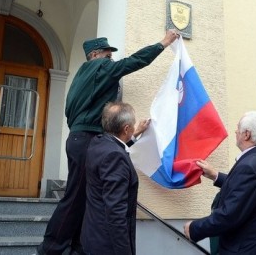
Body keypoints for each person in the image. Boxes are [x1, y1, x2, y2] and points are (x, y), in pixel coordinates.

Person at [37, 30, 179, 255]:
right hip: (86, 140)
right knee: (74, 198)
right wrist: (164, 43)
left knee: (84, 196)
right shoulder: (98, 67)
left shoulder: (80, 78)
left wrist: (130, 138)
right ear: (94, 55)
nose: (111, 60)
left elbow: (71, 113)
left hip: (79, 138)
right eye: (107, 55)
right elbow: (132, 62)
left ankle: (75, 247)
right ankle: (50, 248)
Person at [183, 111, 256, 254]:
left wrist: (195, 228)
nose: (235, 131)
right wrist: (216, 176)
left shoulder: (249, 166)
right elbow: (252, 190)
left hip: (246, 249)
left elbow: (230, 214)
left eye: (238, 127)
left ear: (247, 134)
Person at [82, 101, 139, 255]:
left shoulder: (97, 143)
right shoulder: (115, 157)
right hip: (107, 245)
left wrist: (135, 135)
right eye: (133, 125)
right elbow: (115, 212)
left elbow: (117, 146)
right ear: (126, 128)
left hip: (93, 236)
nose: (134, 128)